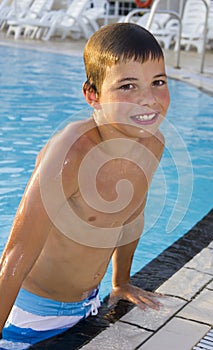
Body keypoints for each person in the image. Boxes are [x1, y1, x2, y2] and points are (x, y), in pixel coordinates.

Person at [0, 22, 170, 348]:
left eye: (158, 82)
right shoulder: (71, 153)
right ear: (93, 95)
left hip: (88, 306)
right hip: (28, 318)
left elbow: (132, 215)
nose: (148, 100)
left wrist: (120, 283)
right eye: (128, 86)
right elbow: (15, 254)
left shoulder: (153, 144)